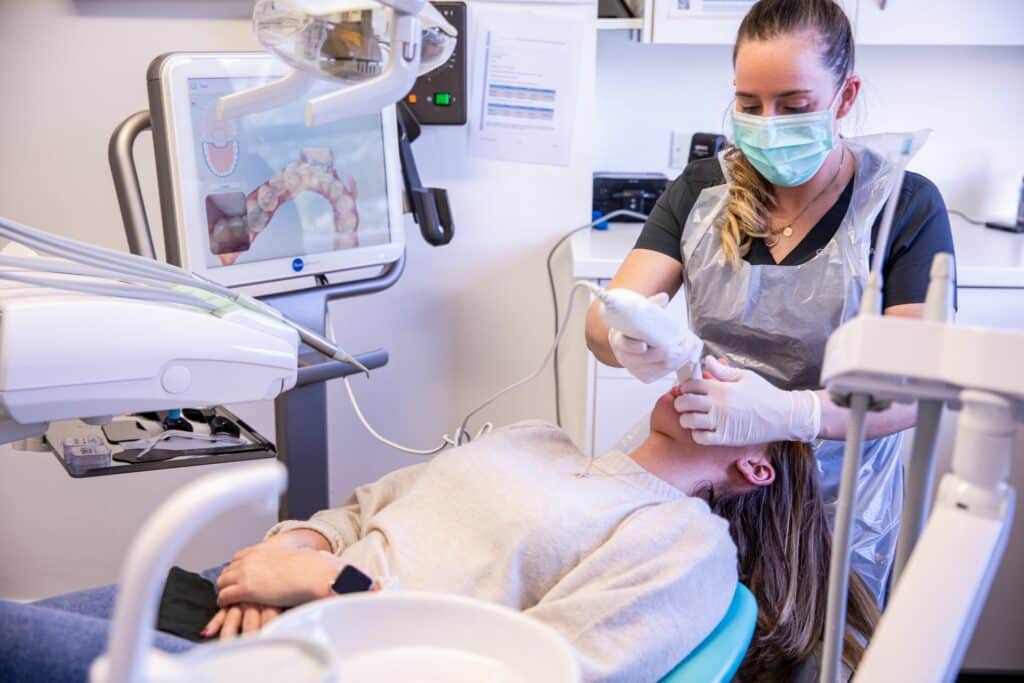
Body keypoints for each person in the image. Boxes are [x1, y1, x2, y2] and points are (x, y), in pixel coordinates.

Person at [0, 386, 878, 682]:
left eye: (744, 392)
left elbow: (537, 671)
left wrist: (332, 593)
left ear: (755, 467)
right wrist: (290, 551)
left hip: (328, 667)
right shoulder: (536, 437)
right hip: (240, 605)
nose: (712, 374)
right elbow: (363, 507)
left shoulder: (686, 545)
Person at [585, 0, 955, 601]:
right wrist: (623, 335)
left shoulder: (900, 207)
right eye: (749, 105)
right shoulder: (702, 191)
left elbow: (917, 385)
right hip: (707, 484)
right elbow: (608, 315)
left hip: (839, 501)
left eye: (794, 105)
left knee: (818, 636)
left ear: (845, 96)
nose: (768, 124)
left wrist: (793, 413)